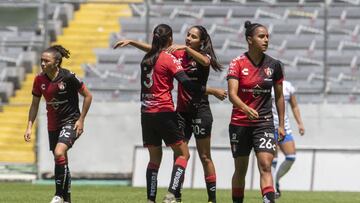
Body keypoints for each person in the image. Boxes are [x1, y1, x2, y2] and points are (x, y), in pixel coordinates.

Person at [114, 24, 225, 203]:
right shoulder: (176, 54)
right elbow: (156, 50)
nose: (189, 38)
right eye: (188, 35)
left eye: (193, 37)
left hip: (200, 111)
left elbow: (206, 62)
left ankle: (211, 199)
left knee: (205, 157)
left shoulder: (202, 56)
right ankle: (175, 195)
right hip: (181, 111)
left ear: (202, 42)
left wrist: (186, 48)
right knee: (180, 153)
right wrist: (134, 42)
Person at [23, 45, 92, 203]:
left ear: (56, 63)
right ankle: (67, 199)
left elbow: (88, 96)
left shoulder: (68, 77)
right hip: (53, 124)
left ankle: (58, 195)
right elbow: (34, 104)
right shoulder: (39, 79)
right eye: (41, 60)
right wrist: (29, 126)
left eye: (46, 61)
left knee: (59, 152)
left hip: (71, 122)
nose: (42, 63)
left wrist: (81, 120)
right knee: (60, 159)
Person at [227, 20, 285, 203]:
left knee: (265, 165)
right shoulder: (237, 63)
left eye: (267, 36)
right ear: (249, 39)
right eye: (261, 36)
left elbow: (280, 96)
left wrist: (281, 125)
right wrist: (246, 109)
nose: (266, 40)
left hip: (264, 123)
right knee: (241, 170)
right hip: (240, 123)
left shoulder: (275, 65)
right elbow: (232, 94)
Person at [271, 80, 305, 198]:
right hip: (268, 126)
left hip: (284, 127)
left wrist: (300, 123)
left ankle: (275, 180)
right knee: (272, 160)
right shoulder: (266, 84)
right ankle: (273, 190)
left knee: (291, 157)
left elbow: (294, 106)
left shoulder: (288, 86)